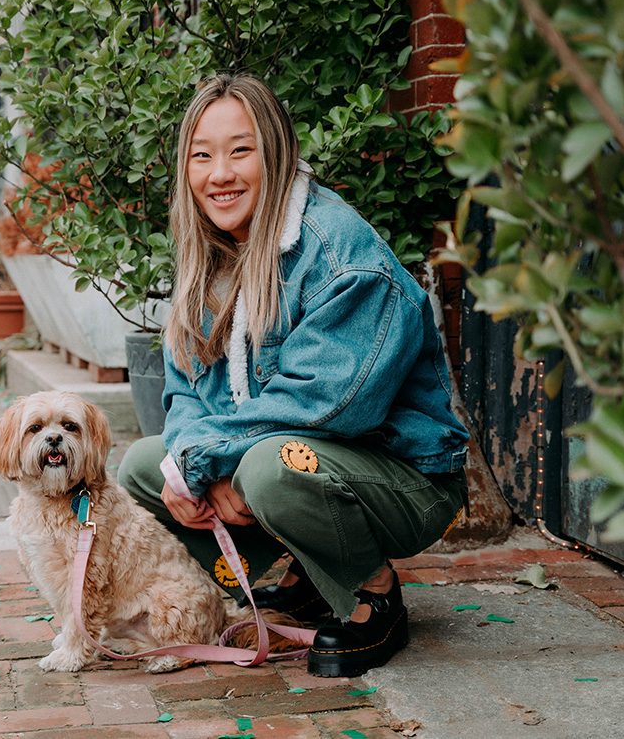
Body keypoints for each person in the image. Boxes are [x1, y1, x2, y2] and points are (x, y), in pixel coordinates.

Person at [118, 74, 470, 678]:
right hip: (286, 458)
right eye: (202, 156)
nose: (219, 174)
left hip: (404, 481)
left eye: (240, 150)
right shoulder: (210, 256)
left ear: (275, 152)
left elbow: (330, 404)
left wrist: (214, 458)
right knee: (145, 467)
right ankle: (299, 579)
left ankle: (373, 594)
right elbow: (184, 394)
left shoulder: (338, 252)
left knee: (268, 470)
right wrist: (189, 459)